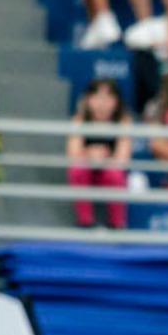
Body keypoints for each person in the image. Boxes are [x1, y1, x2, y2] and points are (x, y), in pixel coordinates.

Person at [67, 78, 132, 230]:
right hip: (86, 173)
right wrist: (90, 154)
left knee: (114, 173)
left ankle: (117, 224)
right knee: (78, 168)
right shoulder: (79, 121)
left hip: (109, 174)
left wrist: (104, 158)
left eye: (108, 97)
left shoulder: (123, 122)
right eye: (97, 97)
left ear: (117, 101)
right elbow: (73, 156)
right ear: (88, 99)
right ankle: (85, 222)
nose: (102, 103)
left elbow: (123, 159)